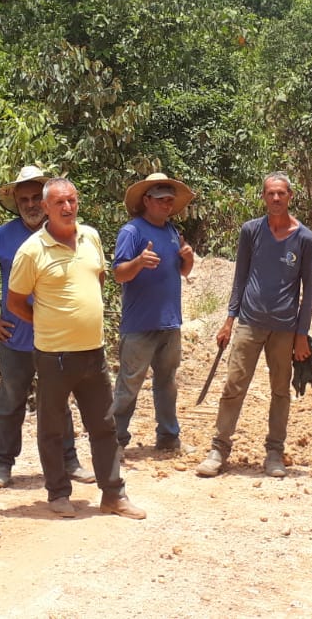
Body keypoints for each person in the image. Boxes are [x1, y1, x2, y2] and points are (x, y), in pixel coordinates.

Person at [7, 178, 146, 520]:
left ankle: (113, 494)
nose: (67, 207)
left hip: (93, 352)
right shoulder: (32, 250)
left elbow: (98, 279)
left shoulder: (91, 237)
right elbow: (15, 302)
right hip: (53, 355)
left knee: (104, 426)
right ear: (45, 208)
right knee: (52, 428)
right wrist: (47, 323)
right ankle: (58, 493)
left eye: (71, 200)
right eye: (59, 202)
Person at [0, 165, 89, 488]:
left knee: (58, 403)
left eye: (36, 198)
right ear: (16, 202)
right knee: (10, 401)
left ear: (46, 201)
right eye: (24, 199)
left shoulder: (65, 233)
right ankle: (2, 465)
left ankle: (69, 461)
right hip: (15, 337)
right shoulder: (3, 235)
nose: (31, 204)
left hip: (57, 337)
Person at [197, 172, 312, 479]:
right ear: (263, 197)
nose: (276, 198)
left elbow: (310, 289)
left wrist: (302, 334)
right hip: (249, 322)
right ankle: (218, 449)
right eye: (270, 193)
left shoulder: (304, 238)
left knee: (280, 390)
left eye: (281, 193)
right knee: (234, 385)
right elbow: (240, 277)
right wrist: (229, 320)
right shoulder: (251, 231)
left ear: (290, 196)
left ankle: (275, 452)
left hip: (285, 327)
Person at [111, 172, 197, 454]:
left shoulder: (172, 232)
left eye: (170, 200)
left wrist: (188, 259)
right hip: (139, 324)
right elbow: (119, 274)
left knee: (167, 384)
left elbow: (182, 271)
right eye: (160, 199)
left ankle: (169, 438)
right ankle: (113, 441)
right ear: (146, 200)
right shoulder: (132, 232)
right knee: (129, 385)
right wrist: (138, 262)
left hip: (170, 323)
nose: (166, 204)